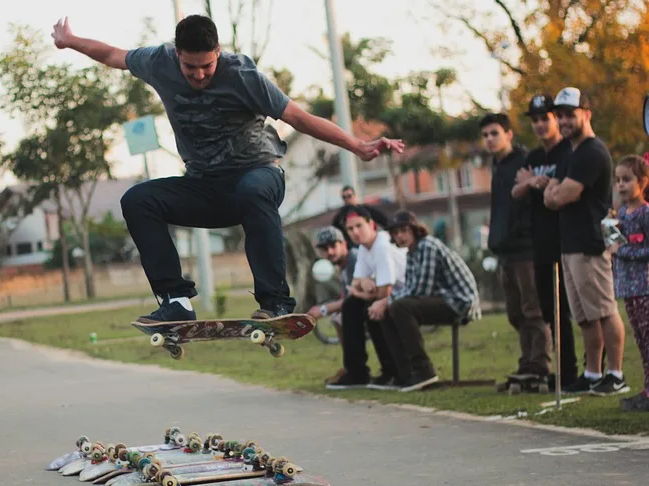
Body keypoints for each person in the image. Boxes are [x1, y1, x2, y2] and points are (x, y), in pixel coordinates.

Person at [51, 15, 404, 323]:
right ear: (178, 55)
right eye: (191, 68)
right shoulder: (158, 61)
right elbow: (114, 55)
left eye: (208, 65)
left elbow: (298, 117)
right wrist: (71, 42)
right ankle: (175, 301)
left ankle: (276, 302)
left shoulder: (242, 74)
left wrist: (356, 145)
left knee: (251, 189)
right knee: (138, 200)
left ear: (218, 51)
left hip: (259, 174)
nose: (201, 75)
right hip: (206, 186)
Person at [544, 87, 628, 396]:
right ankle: (593, 373)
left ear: (586, 114)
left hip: (590, 243)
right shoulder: (570, 153)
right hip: (571, 244)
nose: (564, 121)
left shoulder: (592, 152)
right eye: (561, 115)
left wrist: (555, 193)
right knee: (585, 315)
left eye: (570, 114)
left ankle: (616, 374)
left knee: (604, 310)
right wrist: (554, 193)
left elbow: (562, 194)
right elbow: (550, 195)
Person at [511, 94, 579, 389]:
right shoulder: (534, 158)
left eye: (545, 118)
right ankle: (563, 371)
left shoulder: (569, 151)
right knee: (551, 309)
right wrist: (530, 182)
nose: (540, 125)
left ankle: (582, 371)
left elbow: (567, 188)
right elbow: (517, 190)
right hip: (540, 242)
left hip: (566, 238)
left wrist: (540, 183)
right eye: (535, 120)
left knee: (576, 308)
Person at [481, 112, 551, 386]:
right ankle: (526, 361)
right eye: (485, 135)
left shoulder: (524, 162)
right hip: (504, 251)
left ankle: (539, 364)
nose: (489, 139)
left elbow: (530, 206)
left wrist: (518, 234)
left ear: (509, 134)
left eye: (494, 133)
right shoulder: (496, 166)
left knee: (533, 309)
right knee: (515, 312)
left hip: (525, 250)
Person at [380, 211, 481, 391]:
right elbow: (409, 288)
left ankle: (424, 371)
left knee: (400, 307)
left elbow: (420, 290)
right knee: (389, 310)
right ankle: (405, 374)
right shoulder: (411, 253)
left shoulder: (427, 246)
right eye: (395, 233)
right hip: (441, 298)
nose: (400, 236)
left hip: (459, 302)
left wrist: (386, 301)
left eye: (403, 230)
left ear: (414, 229)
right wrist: (385, 303)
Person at [326, 208, 405, 389]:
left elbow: (384, 293)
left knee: (370, 307)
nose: (355, 232)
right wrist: (364, 284)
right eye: (350, 229)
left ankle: (392, 370)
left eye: (359, 226)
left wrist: (365, 288)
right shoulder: (363, 248)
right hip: (387, 296)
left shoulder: (382, 246)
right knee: (350, 305)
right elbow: (353, 286)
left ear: (371, 225)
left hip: (406, 295)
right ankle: (357, 373)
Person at [609, 155, 649, 411]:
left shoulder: (645, 213)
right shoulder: (622, 213)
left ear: (642, 182)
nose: (621, 185)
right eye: (618, 180)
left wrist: (621, 250)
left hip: (645, 287)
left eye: (627, 179)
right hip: (628, 290)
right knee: (641, 341)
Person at [307, 225, 355, 343]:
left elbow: (354, 299)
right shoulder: (342, 267)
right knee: (338, 319)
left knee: (341, 318)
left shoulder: (354, 260)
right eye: (324, 249)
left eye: (333, 245)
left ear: (344, 244)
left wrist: (323, 309)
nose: (329, 252)